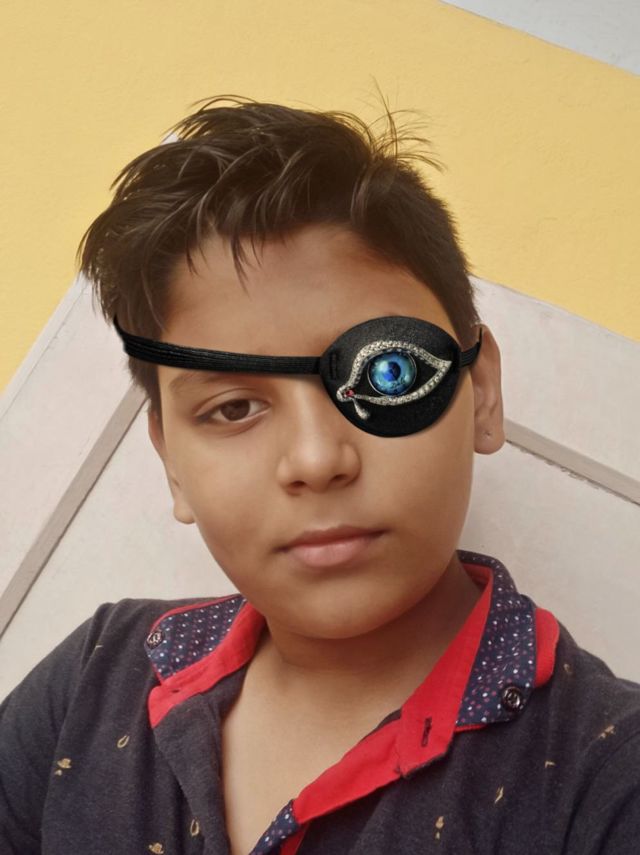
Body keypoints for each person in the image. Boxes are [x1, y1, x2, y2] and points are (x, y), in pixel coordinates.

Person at [1, 94, 639, 855]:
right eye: (234, 408)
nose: (316, 459)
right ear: (170, 460)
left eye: (390, 371)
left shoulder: (610, 777)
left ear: (482, 393)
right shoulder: (93, 679)